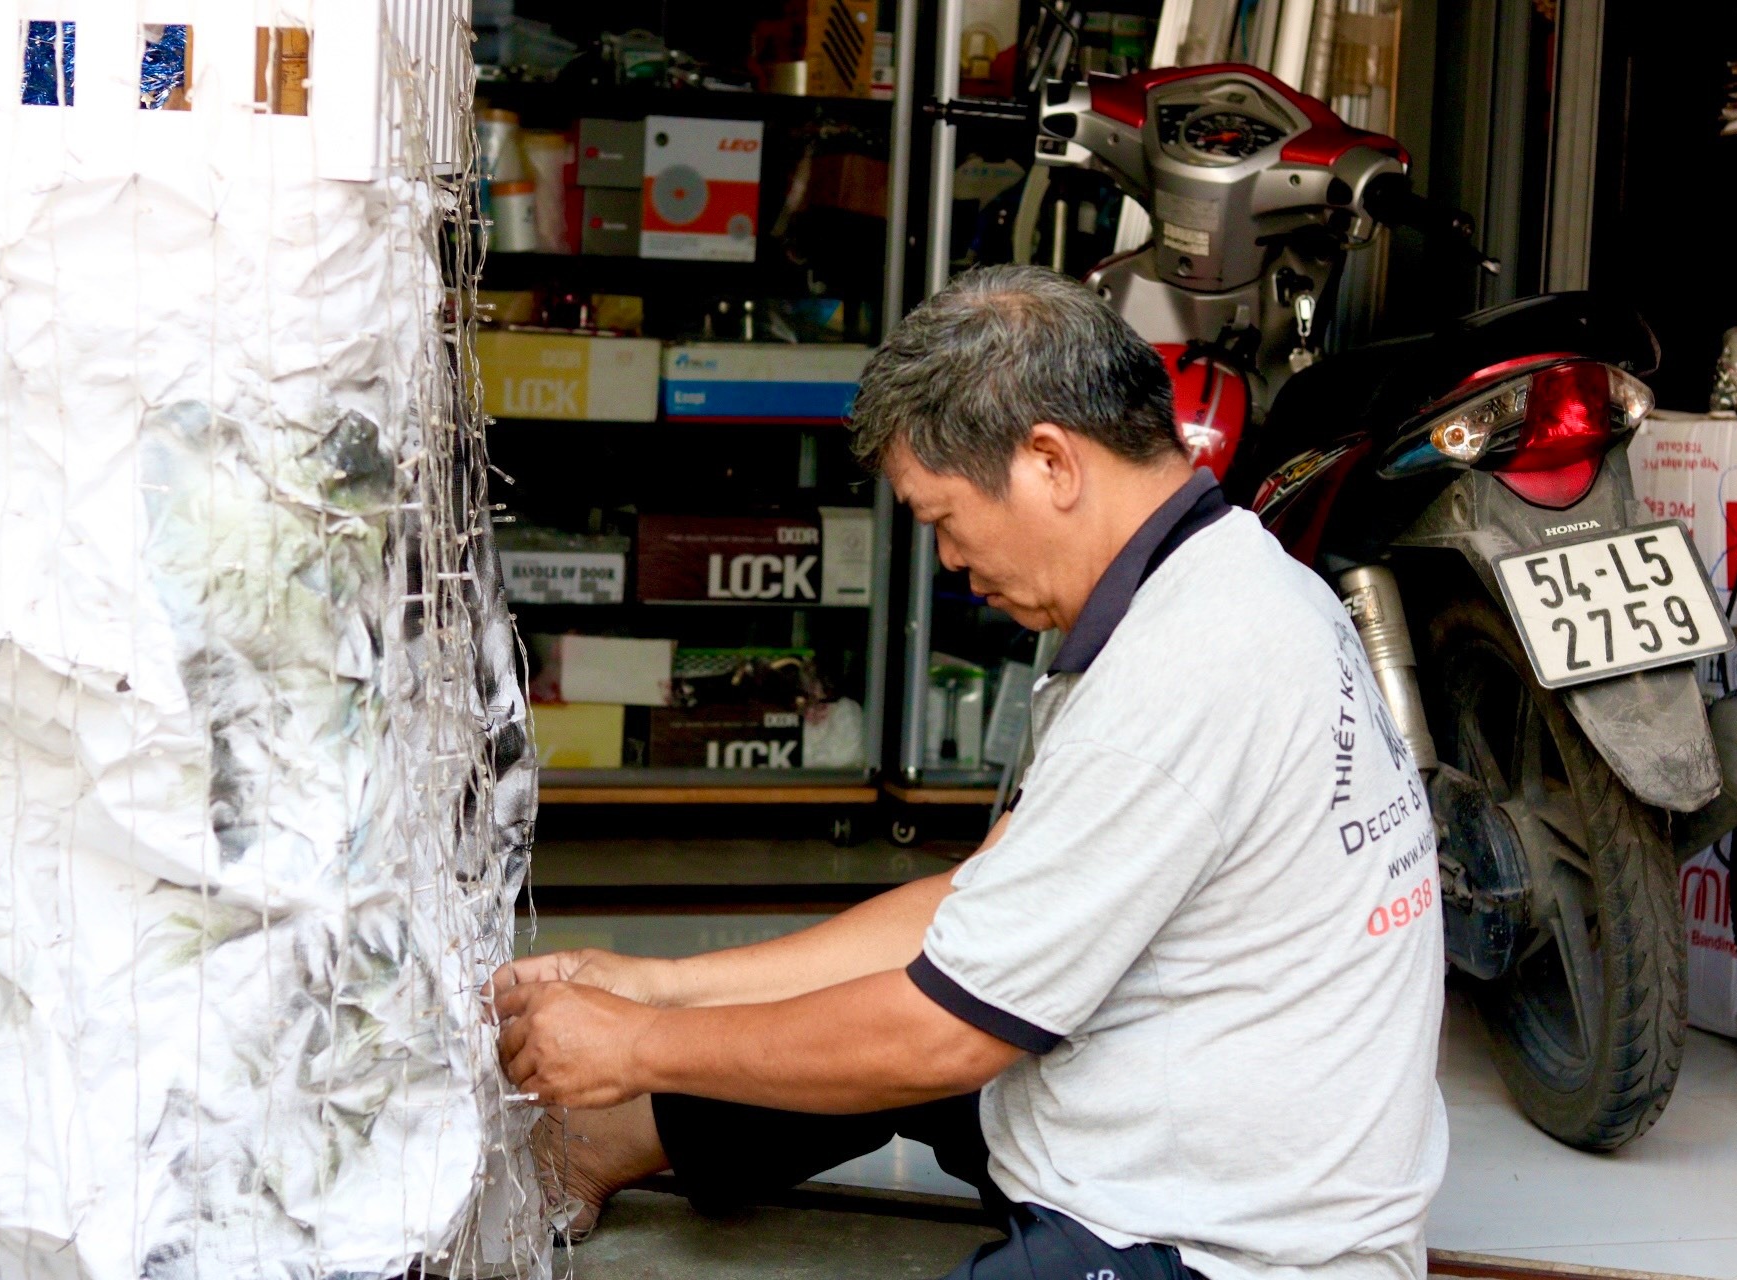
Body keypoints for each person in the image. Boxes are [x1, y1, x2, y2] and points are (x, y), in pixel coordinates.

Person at [488, 264, 1448, 1280]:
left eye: (942, 516)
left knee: (914, 1029)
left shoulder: (1186, 670)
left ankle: (624, 1107)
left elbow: (941, 1032)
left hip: (1230, 1244)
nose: (947, 559)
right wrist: (663, 986)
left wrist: (637, 1043)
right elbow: (971, 903)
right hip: (1195, 1120)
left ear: (1049, 463)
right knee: (903, 996)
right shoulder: (1225, 576)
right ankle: (602, 1139)